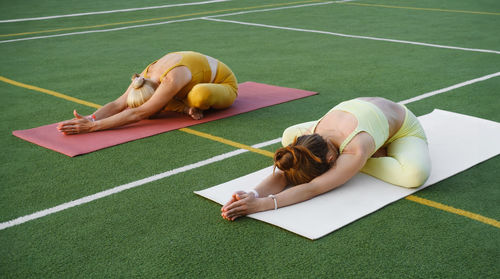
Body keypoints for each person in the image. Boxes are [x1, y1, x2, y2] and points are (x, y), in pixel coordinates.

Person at [221, 97, 431, 221]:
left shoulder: (355, 148)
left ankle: (365, 159)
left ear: (332, 159)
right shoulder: (311, 135)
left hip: (403, 125)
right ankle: (368, 156)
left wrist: (261, 205)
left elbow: (313, 188)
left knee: (413, 175)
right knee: (288, 135)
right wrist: (252, 193)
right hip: (363, 113)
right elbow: (286, 174)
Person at [57, 51, 238, 135]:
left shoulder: (171, 79)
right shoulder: (144, 77)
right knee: (168, 103)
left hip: (224, 84)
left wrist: (93, 128)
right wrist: (91, 118)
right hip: (182, 87)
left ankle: (186, 105)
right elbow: (119, 104)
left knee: (198, 96)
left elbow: (138, 113)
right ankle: (185, 107)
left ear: (158, 89)